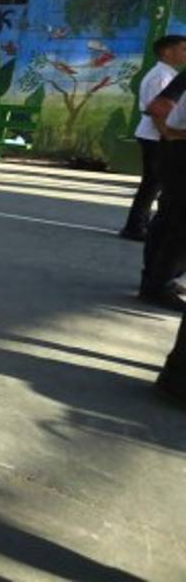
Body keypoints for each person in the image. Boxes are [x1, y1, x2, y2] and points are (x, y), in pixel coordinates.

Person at [121, 35, 186, 241]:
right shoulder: (161, 76)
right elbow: (158, 110)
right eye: (183, 49)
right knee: (153, 183)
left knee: (154, 183)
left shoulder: (167, 74)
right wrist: (168, 134)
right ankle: (136, 227)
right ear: (167, 51)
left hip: (157, 134)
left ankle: (141, 224)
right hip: (155, 136)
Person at [146, 70, 186, 403]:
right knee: (173, 228)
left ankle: (158, 282)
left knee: (169, 225)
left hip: (176, 157)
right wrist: (169, 138)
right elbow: (159, 110)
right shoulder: (170, 78)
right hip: (179, 159)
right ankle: (158, 283)